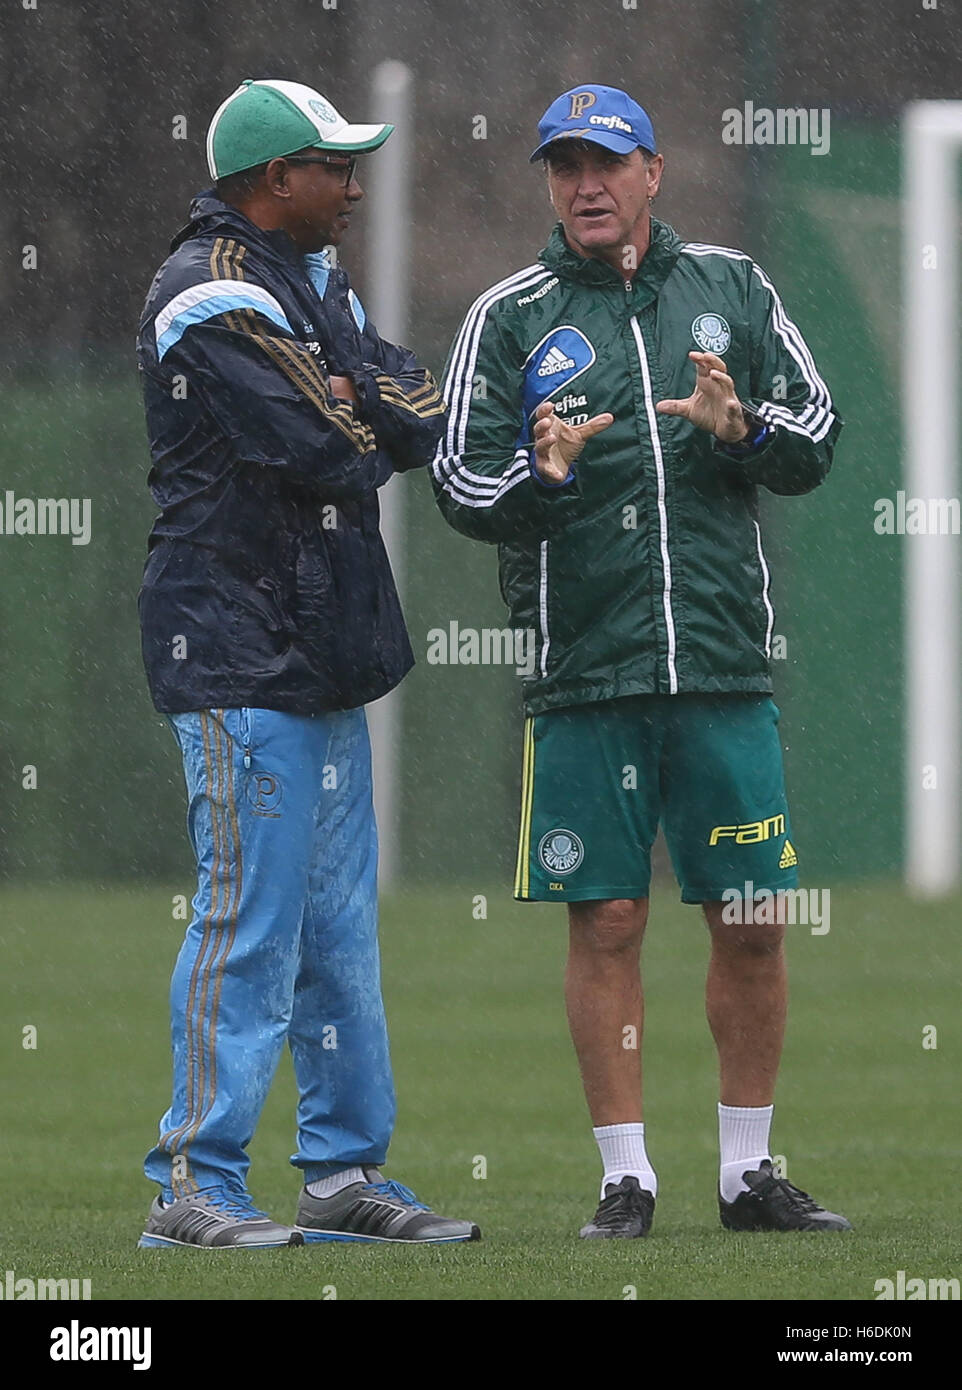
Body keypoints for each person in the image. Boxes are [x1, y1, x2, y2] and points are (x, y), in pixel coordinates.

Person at [432, 83, 850, 1238]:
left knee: (753, 917)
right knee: (606, 919)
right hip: (585, 673)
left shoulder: (732, 288)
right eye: (563, 167)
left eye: (605, 162)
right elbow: (458, 484)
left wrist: (742, 429)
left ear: (652, 172)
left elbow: (816, 430)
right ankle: (626, 1177)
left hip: (718, 662)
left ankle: (745, 1173)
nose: (585, 185)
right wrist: (542, 474)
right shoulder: (509, 316)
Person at [136, 78, 479, 1248]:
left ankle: (340, 1177)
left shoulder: (307, 281)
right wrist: (357, 399)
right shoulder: (205, 295)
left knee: (336, 932)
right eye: (335, 163)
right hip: (233, 648)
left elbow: (409, 400)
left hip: (318, 645)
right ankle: (191, 1186)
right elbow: (324, 445)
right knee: (250, 919)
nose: (355, 182)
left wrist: (359, 393)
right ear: (275, 180)